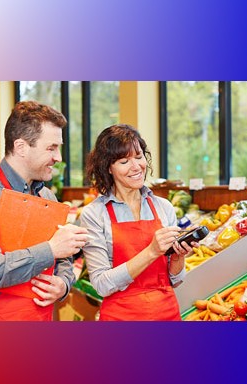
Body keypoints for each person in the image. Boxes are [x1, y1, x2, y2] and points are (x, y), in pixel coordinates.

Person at [0, 101, 89, 321]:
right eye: (51, 148)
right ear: (21, 147)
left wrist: (63, 284)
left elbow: (63, 259)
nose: (59, 157)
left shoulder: (48, 197)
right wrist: (50, 249)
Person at [80, 124, 192, 321]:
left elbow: (175, 279)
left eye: (139, 157)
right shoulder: (94, 214)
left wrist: (177, 257)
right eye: (124, 161)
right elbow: (101, 284)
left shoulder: (163, 207)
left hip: (167, 314)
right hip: (121, 318)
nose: (136, 167)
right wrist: (151, 251)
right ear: (108, 167)